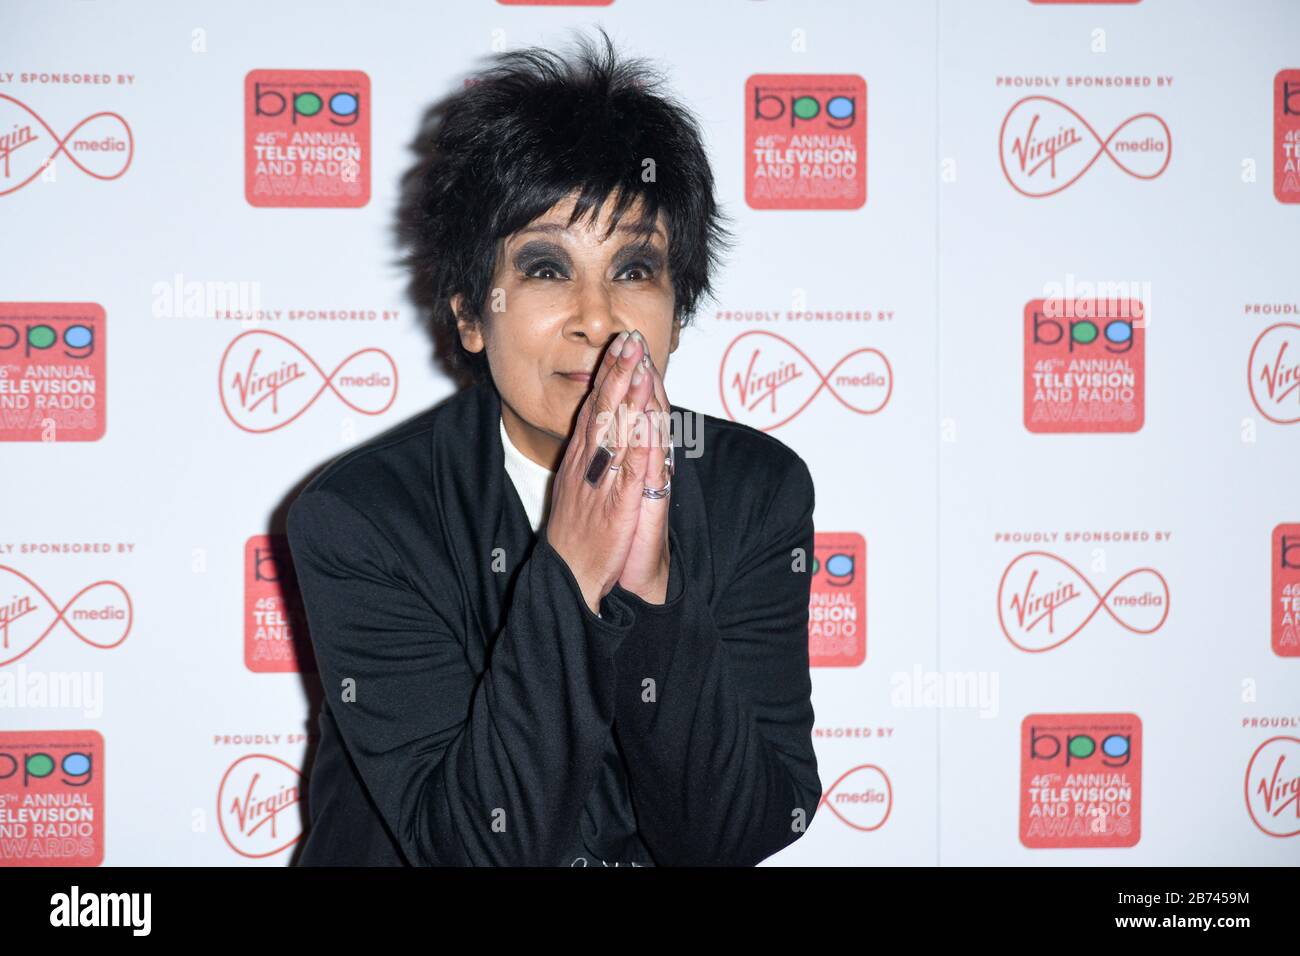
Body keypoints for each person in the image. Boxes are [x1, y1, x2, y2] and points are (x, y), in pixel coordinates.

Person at [285, 28, 820, 867]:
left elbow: (736, 832)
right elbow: (475, 849)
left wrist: (652, 595)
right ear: (468, 313)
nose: (597, 316)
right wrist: (567, 573)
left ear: (679, 311)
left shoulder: (758, 492)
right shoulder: (364, 520)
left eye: (635, 271)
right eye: (544, 267)